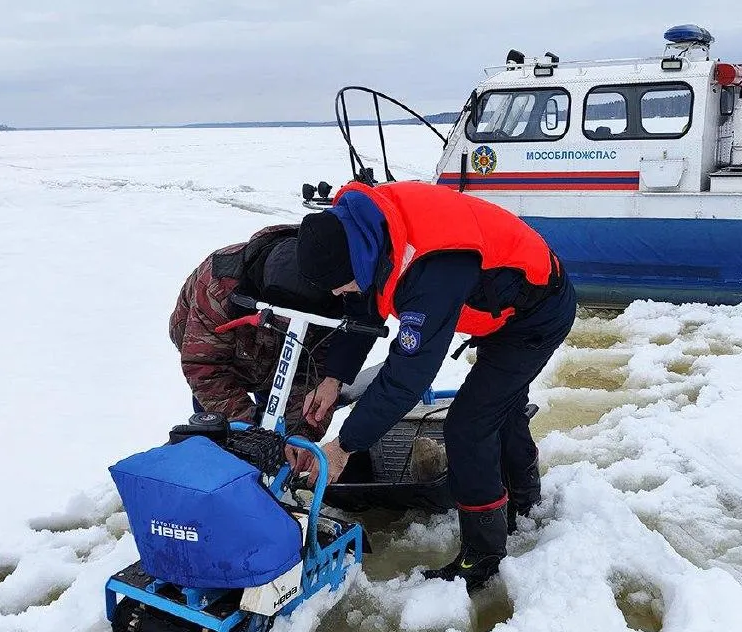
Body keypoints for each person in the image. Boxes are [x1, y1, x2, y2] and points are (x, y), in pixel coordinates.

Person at [295, 180, 576, 591]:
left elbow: (407, 377)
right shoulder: (363, 228)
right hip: (504, 305)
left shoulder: (431, 265)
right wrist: (334, 377)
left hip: (536, 313)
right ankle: (525, 497)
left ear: (357, 258)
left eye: (341, 284)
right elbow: (362, 302)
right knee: (503, 406)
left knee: (469, 422)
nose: (339, 293)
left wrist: (345, 445)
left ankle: (482, 556)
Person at [168, 224, 344, 466]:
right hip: (223, 353)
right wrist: (248, 432)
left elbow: (317, 372)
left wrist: (300, 432)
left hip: (282, 358)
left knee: (278, 422)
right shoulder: (218, 285)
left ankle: (276, 459)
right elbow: (206, 369)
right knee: (223, 430)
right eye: (285, 319)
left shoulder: (336, 286)